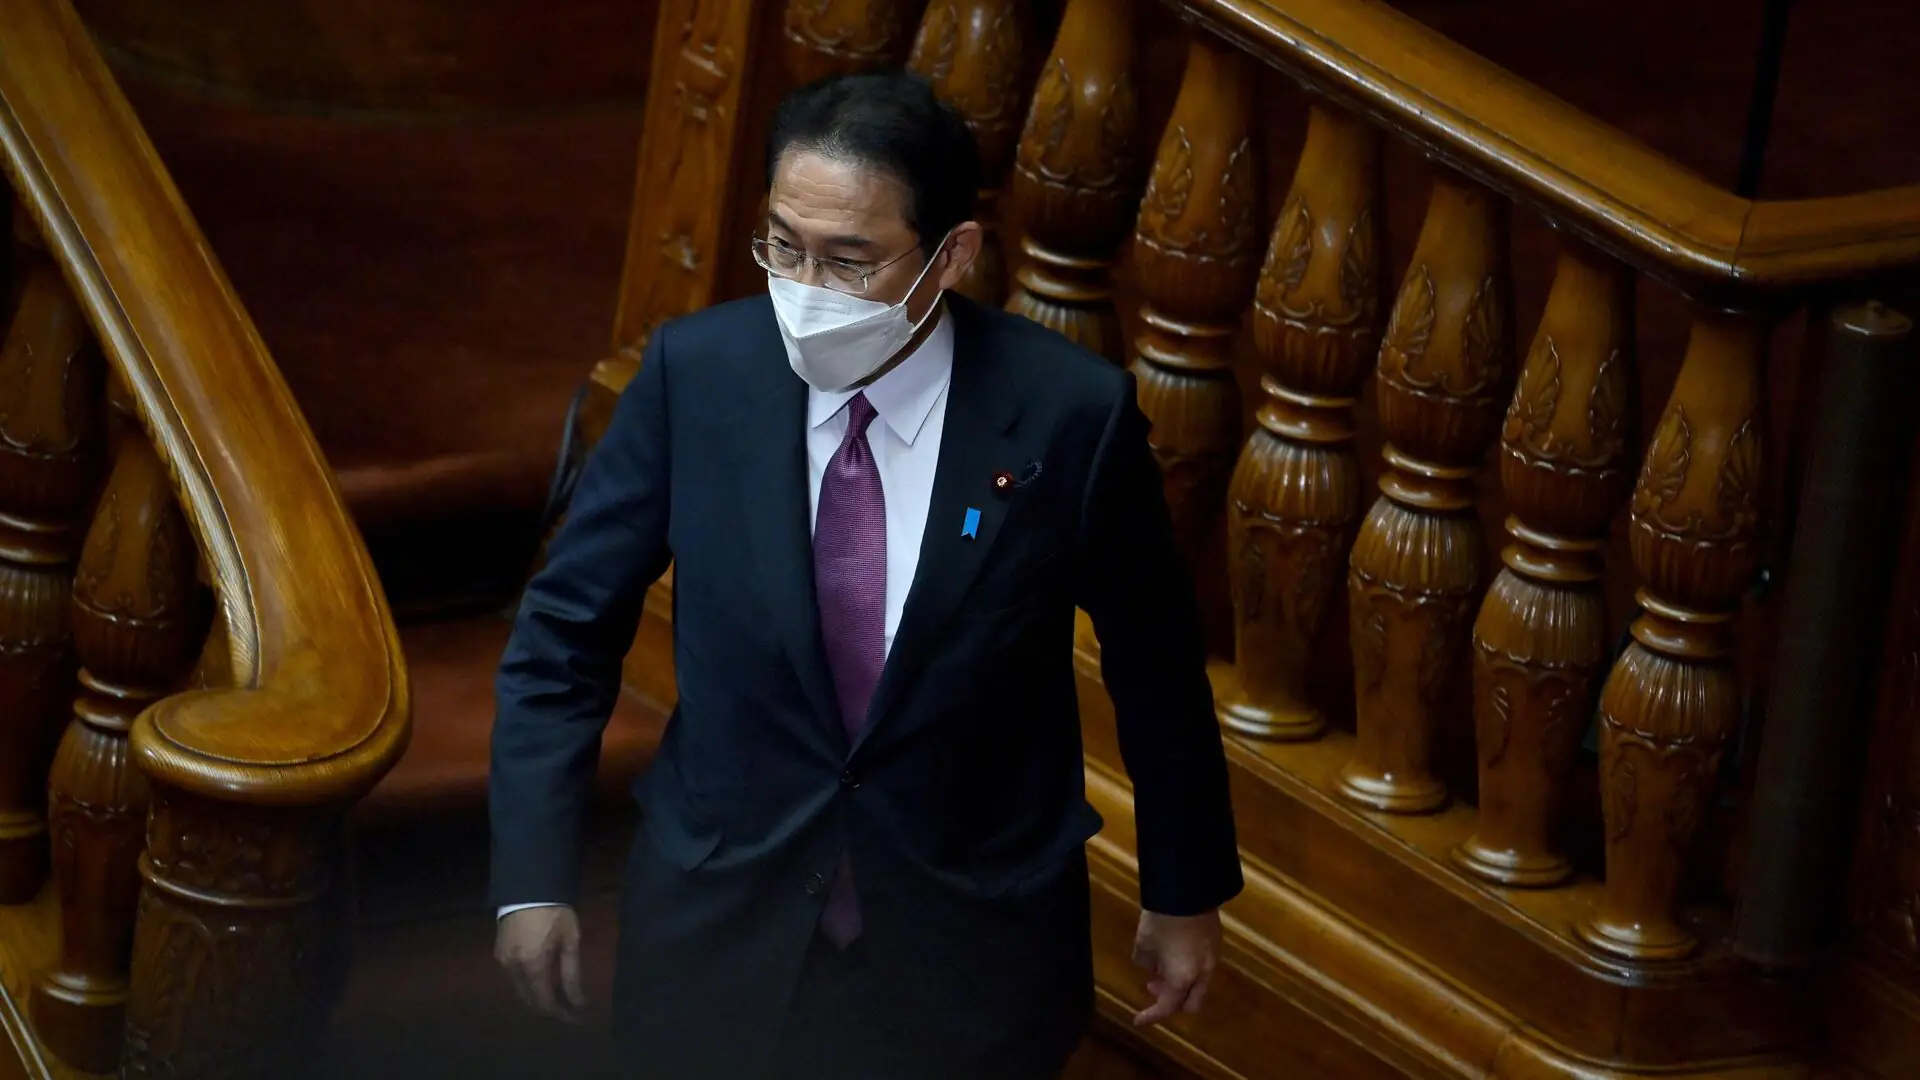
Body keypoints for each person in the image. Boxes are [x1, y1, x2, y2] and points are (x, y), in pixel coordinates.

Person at [488, 69, 1243, 1080]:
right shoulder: (694, 377)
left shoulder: (1070, 415)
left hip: (968, 950)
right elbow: (564, 637)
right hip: (719, 928)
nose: (807, 290)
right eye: (783, 246)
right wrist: (531, 877)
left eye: (850, 261)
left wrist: (1184, 890)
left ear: (952, 255)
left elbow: (1157, 673)